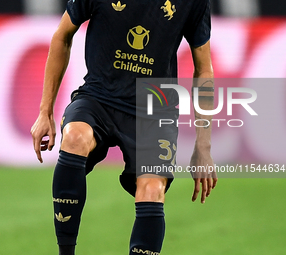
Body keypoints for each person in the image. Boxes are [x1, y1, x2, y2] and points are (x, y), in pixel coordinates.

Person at [31, 0, 218, 254]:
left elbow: (203, 69)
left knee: (152, 190)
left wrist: (203, 145)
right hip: (99, 97)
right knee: (74, 136)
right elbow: (62, 35)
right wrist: (45, 112)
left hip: (155, 109)